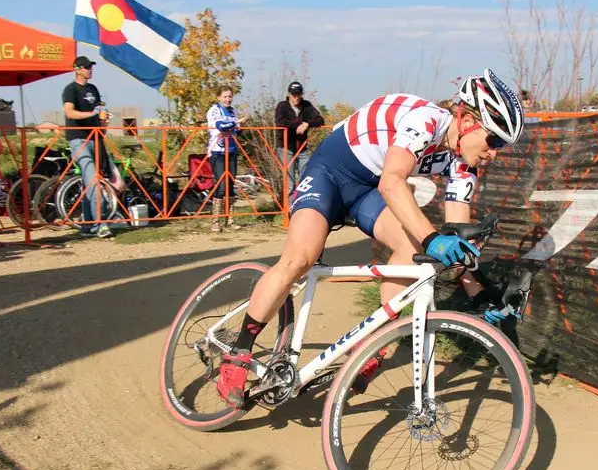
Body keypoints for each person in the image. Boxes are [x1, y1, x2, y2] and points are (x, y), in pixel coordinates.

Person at [215, 68, 525, 407]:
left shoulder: (464, 164)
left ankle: (371, 343)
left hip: (365, 190)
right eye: (493, 140)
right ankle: (237, 354)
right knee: (300, 257)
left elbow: (457, 239)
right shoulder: (426, 121)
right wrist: (434, 238)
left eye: (502, 146)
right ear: (465, 120)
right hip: (331, 173)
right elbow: (392, 182)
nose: (494, 152)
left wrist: (479, 294)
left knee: (414, 249)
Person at [62, 55, 114, 238]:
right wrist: (91, 113)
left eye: (90, 67)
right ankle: (101, 223)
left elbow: (100, 111)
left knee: (88, 180)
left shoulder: (93, 89)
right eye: (86, 67)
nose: (89, 69)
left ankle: (87, 225)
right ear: (77, 69)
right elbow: (69, 112)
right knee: (92, 179)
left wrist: (103, 121)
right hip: (78, 138)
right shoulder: (70, 90)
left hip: (95, 137)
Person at [206, 86, 245, 232]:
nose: (228, 99)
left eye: (230, 96)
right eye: (225, 97)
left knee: (230, 186)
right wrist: (236, 123)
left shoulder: (233, 111)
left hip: (232, 150)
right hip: (217, 151)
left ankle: (230, 219)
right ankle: (215, 221)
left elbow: (237, 129)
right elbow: (221, 126)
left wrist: (239, 125)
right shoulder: (214, 110)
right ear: (219, 97)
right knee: (221, 186)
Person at [274, 81, 325, 186]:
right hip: (285, 147)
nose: (296, 97)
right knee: (290, 182)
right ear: (289, 95)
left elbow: (320, 120)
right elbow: (280, 122)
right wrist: (298, 125)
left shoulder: (307, 105)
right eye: (294, 94)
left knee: (306, 179)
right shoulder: (282, 106)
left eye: (298, 94)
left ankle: (303, 202)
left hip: (302, 148)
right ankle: (289, 203)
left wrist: (307, 124)